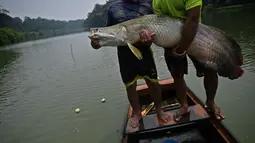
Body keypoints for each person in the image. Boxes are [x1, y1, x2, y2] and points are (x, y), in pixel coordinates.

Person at [90, 0, 171, 129]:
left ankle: (159, 109)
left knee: (153, 83)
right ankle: (137, 113)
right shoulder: (113, 9)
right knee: (130, 86)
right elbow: (109, 33)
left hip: (145, 53)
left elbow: (155, 31)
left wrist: (148, 40)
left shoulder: (147, 5)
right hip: (124, 55)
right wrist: (97, 42)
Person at [140, 0, 225, 121]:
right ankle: (184, 106)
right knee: (177, 76)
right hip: (171, 38)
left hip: (195, 35)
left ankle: (210, 102)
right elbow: (161, 23)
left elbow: (194, 18)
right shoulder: (156, 1)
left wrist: (182, 48)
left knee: (210, 70)